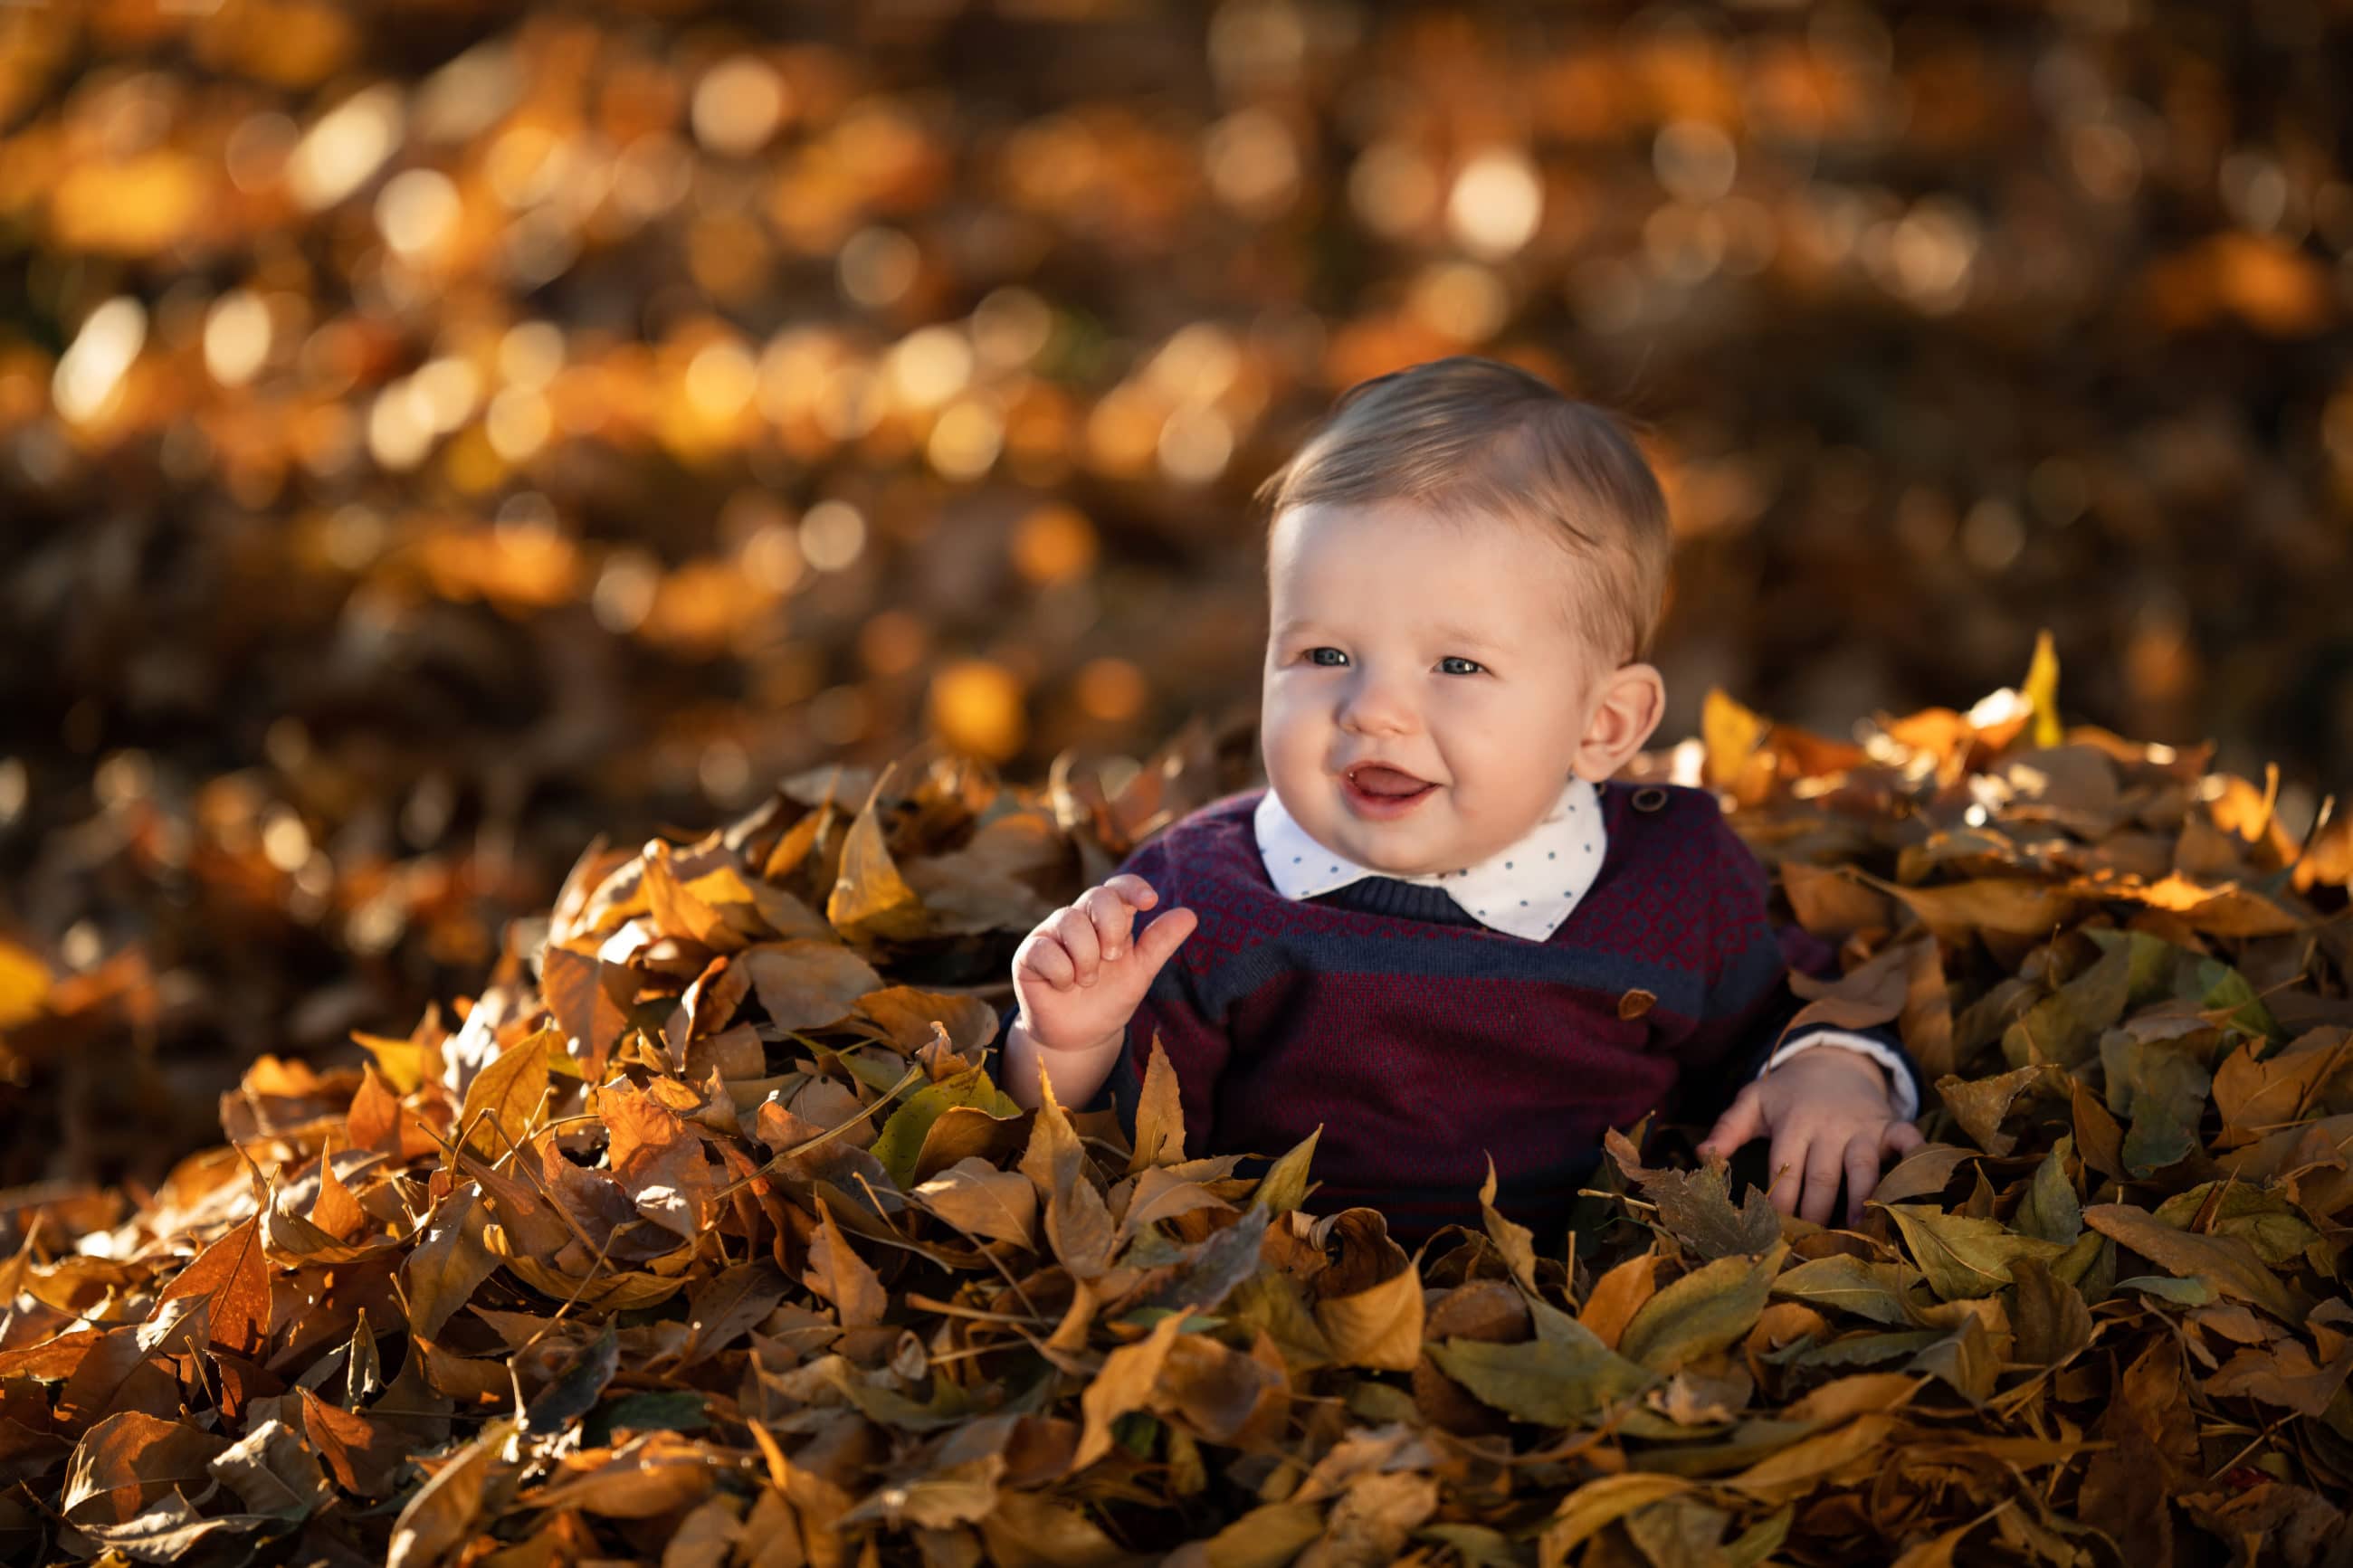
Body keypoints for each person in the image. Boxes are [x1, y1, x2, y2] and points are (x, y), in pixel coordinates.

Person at [996, 356, 1925, 1248]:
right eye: (1325, 654)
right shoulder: (1202, 896)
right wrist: (1064, 1040)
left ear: (1602, 722)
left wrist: (1831, 1069)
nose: (1373, 710)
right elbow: (1121, 1138)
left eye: (1456, 664)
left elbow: (1788, 999)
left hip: (1591, 1312)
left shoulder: (1670, 877)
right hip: (1282, 1301)